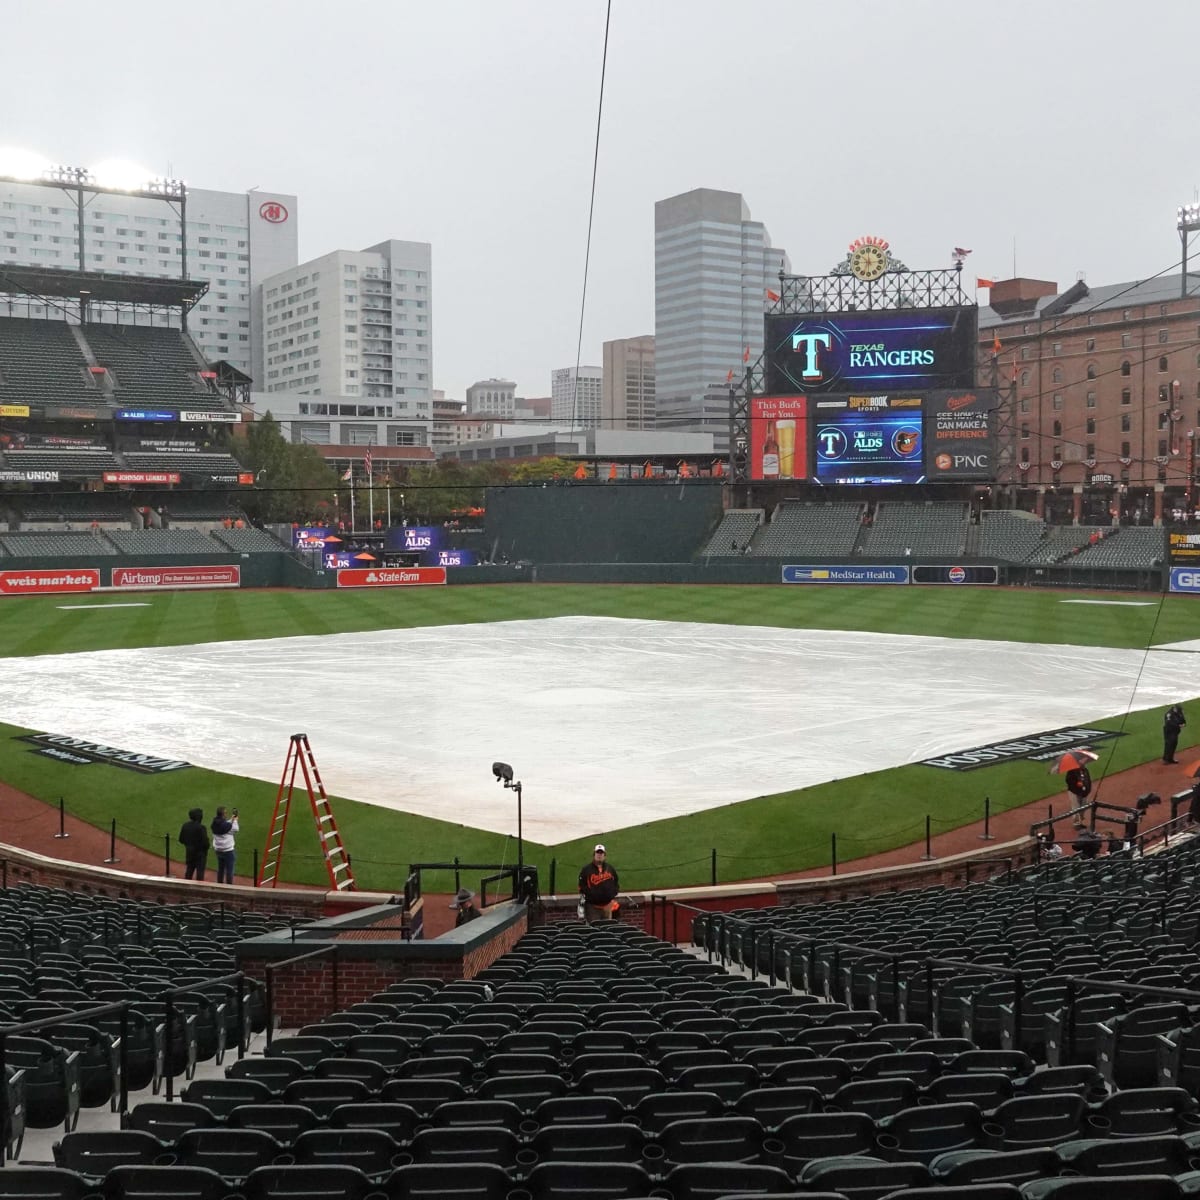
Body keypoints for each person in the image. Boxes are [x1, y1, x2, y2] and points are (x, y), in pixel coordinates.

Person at [578, 844, 619, 923]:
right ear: (594, 855)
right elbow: (581, 887)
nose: (599, 855)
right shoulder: (586, 870)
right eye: (597, 853)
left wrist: (612, 896)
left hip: (608, 906)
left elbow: (616, 883)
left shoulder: (610, 868)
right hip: (593, 908)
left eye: (601, 853)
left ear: (604, 855)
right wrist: (591, 896)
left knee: (607, 929)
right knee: (594, 930)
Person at [178, 807, 209, 880]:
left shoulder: (185, 825)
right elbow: (206, 844)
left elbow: (181, 839)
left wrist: (189, 845)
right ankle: (199, 890)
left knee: (189, 872)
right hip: (200, 855)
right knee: (200, 874)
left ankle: (185, 889)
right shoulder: (201, 827)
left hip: (189, 852)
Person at [211, 806, 239, 884]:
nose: (226, 814)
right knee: (229, 870)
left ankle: (220, 884)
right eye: (225, 812)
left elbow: (225, 825)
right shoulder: (227, 827)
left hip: (218, 850)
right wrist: (235, 821)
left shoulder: (214, 824)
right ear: (223, 814)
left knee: (221, 869)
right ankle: (228, 886)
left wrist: (232, 819)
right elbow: (235, 829)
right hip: (228, 851)